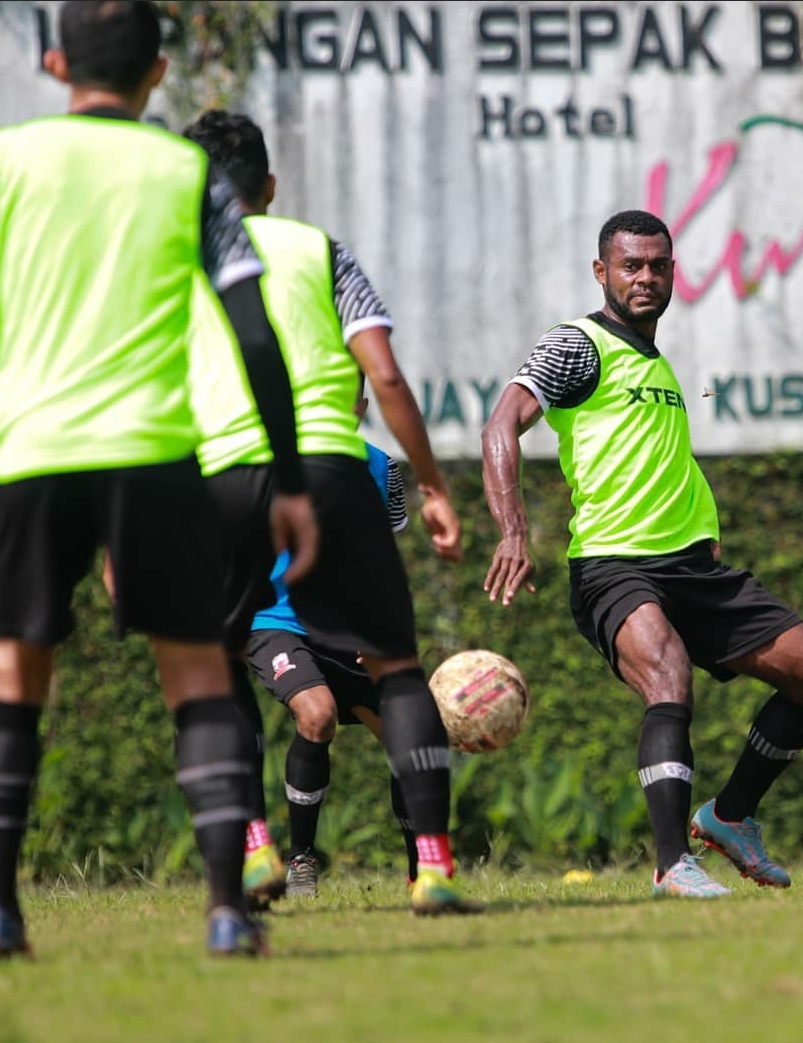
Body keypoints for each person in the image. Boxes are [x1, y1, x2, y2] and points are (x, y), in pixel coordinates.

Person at [0, 0, 317, 961]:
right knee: (198, 673)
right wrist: (286, 477)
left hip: (25, 454)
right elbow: (253, 331)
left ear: (52, 62)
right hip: (154, 454)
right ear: (159, 72)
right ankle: (223, 910)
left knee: (13, 675)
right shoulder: (190, 172)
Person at [480, 209, 803, 898]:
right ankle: (672, 861)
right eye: (630, 265)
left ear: (672, 272)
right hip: (613, 564)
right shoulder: (576, 343)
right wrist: (513, 529)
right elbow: (502, 421)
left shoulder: (655, 359)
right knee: (669, 676)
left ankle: (730, 816)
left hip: (693, 569)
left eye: (657, 265)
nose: (644, 277)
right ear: (601, 272)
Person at [183, 108, 482, 916]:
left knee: (209, 671)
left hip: (217, 475)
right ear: (269, 186)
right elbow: (382, 376)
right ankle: (432, 866)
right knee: (397, 666)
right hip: (326, 464)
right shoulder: (320, 251)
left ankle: (252, 847)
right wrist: (431, 484)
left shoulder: (169, 268)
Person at [247, 381, 420, 898]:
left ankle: (424, 874)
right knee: (317, 715)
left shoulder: (380, 467)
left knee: (411, 741)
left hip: (347, 628)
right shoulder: (263, 462)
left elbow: (382, 559)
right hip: (276, 620)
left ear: (360, 409)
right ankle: (301, 860)